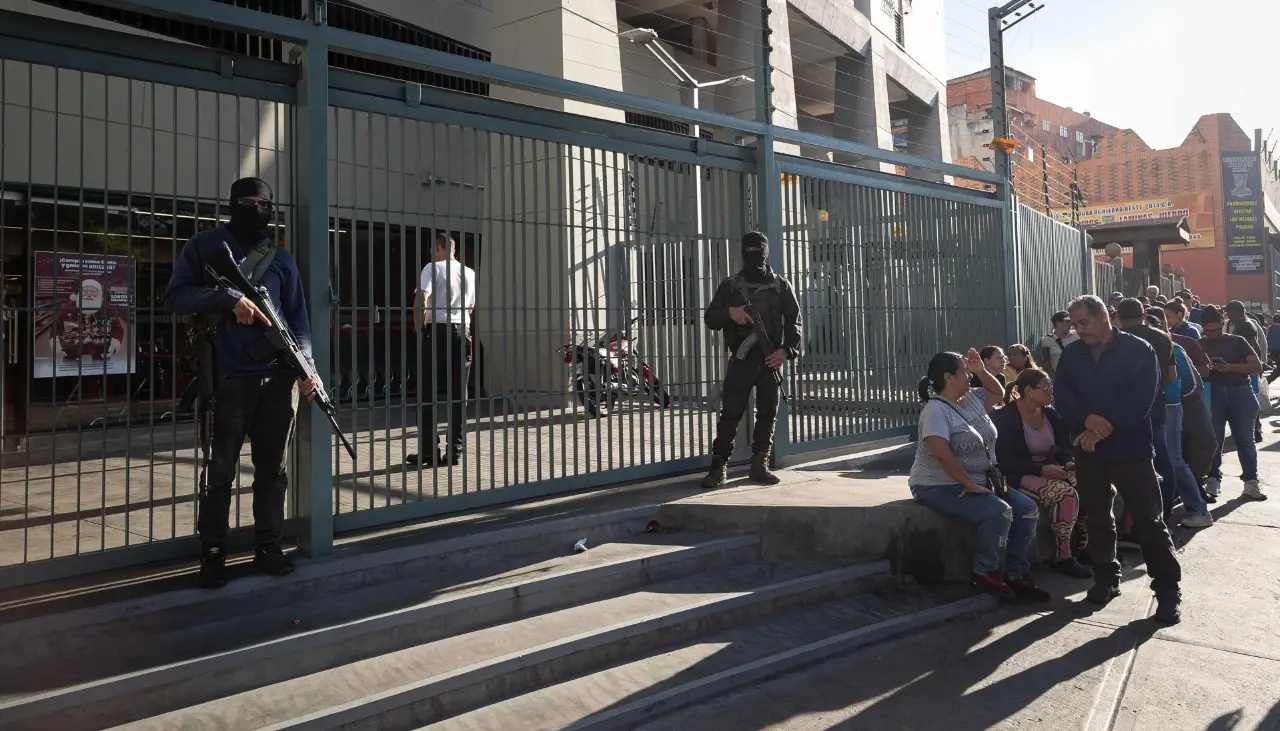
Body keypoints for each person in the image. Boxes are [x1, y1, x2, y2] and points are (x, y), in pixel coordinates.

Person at [166, 177, 321, 588]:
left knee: (273, 471)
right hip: (226, 381)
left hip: (278, 383)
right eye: (249, 202)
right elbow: (176, 296)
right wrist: (227, 301)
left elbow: (298, 321)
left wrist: (308, 368)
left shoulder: (282, 261)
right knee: (220, 472)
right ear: (233, 204)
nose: (257, 209)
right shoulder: (205, 247)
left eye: (265, 203)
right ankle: (213, 552)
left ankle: (268, 546)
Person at [1054, 295, 1182, 624]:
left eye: (1084, 323)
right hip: (1089, 451)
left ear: (1103, 317)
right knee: (1097, 516)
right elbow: (1063, 398)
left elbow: (1141, 399)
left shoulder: (1138, 350)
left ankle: (1167, 591)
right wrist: (1085, 422)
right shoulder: (1071, 355)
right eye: (1074, 324)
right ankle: (1107, 579)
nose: (1078, 330)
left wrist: (1097, 427)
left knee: (1149, 521)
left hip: (1131, 449)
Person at [909, 350, 1048, 601]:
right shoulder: (935, 411)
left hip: (983, 480)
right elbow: (941, 452)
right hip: (939, 485)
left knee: (1027, 509)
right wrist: (968, 483)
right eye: (964, 370)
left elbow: (998, 393)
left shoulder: (971, 398)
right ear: (949, 377)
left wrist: (981, 371)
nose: (969, 376)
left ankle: (1018, 574)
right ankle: (985, 573)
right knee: (999, 511)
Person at [700, 232, 802, 489]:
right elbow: (711, 318)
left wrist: (786, 352)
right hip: (741, 360)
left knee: (768, 414)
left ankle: (760, 464)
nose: (754, 254)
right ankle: (718, 465)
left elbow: (795, 322)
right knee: (730, 414)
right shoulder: (730, 286)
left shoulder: (781, 285)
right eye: (749, 250)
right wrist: (730, 312)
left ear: (766, 252)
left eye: (759, 250)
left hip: (770, 361)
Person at [993, 368, 1091, 578]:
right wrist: (1040, 469)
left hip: (1050, 469)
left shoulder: (1050, 414)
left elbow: (1063, 447)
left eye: (1051, 388)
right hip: (1017, 475)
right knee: (1064, 493)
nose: (1050, 392)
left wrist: (1068, 463)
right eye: (1046, 388)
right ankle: (1063, 555)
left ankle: (1084, 544)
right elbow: (1004, 459)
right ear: (1028, 391)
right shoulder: (1007, 417)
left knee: (1093, 485)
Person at [407, 233, 476, 468]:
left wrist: (419, 328)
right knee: (459, 395)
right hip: (462, 331)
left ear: (439, 248)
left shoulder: (432, 268)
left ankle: (428, 452)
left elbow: (421, 300)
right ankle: (455, 451)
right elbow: (470, 307)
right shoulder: (469, 273)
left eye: (432, 248)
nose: (430, 253)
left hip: (436, 330)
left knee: (427, 393)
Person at [1146, 309, 1214, 527]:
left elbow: (1193, 383)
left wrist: (1173, 399)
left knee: (1173, 460)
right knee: (1161, 461)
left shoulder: (1174, 349)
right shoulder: (1141, 350)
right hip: (1155, 408)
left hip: (1170, 408)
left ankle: (1199, 509)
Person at [1114, 298, 1178, 516]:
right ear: (1144, 315)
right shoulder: (1163, 338)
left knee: (1128, 461)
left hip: (1123, 407)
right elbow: (1172, 375)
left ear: (1119, 319)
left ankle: (1132, 518)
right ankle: (1164, 511)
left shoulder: (1116, 340)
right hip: (1156, 404)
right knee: (1161, 457)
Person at [1201, 307, 1267, 501]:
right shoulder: (1198, 344)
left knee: (1245, 439)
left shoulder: (1237, 341)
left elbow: (1256, 366)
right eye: (1207, 331)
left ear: (1222, 324)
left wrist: (1230, 368)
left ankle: (1251, 481)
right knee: (1215, 440)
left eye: (1215, 330)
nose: (1212, 334)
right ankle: (1213, 479)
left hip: (1240, 392)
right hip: (1213, 393)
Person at [1224, 300, 1266, 443]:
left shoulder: (1245, 326)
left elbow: (1254, 347)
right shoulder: (1244, 324)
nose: (1227, 315)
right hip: (1247, 368)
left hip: (1247, 369)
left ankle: (1255, 431)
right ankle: (1253, 430)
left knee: (1249, 403)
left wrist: (1256, 367)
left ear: (1235, 312)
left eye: (1228, 312)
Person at [1038, 310, 1079, 378]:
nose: (1070, 324)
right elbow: (1046, 363)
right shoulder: (1046, 340)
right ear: (1058, 323)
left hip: (1077, 376)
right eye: (1067, 322)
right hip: (1059, 377)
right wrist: (1055, 379)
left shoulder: (1077, 335)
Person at [1267, 314, 1280, 384]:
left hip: (1273, 351)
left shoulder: (1270, 328)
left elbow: (1267, 339)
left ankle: (1267, 381)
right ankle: (1267, 380)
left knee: (1278, 368)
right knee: (1278, 369)